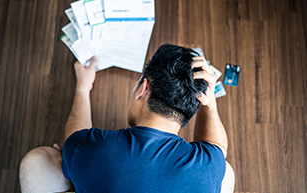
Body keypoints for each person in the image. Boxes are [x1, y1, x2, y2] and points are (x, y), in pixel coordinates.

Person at [19, 44, 235, 193]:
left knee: (37, 161)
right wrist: (211, 102)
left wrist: (83, 87)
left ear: (144, 88)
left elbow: (76, 137)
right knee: (226, 174)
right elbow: (215, 147)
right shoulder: (208, 165)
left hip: (85, 161)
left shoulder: (92, 149)